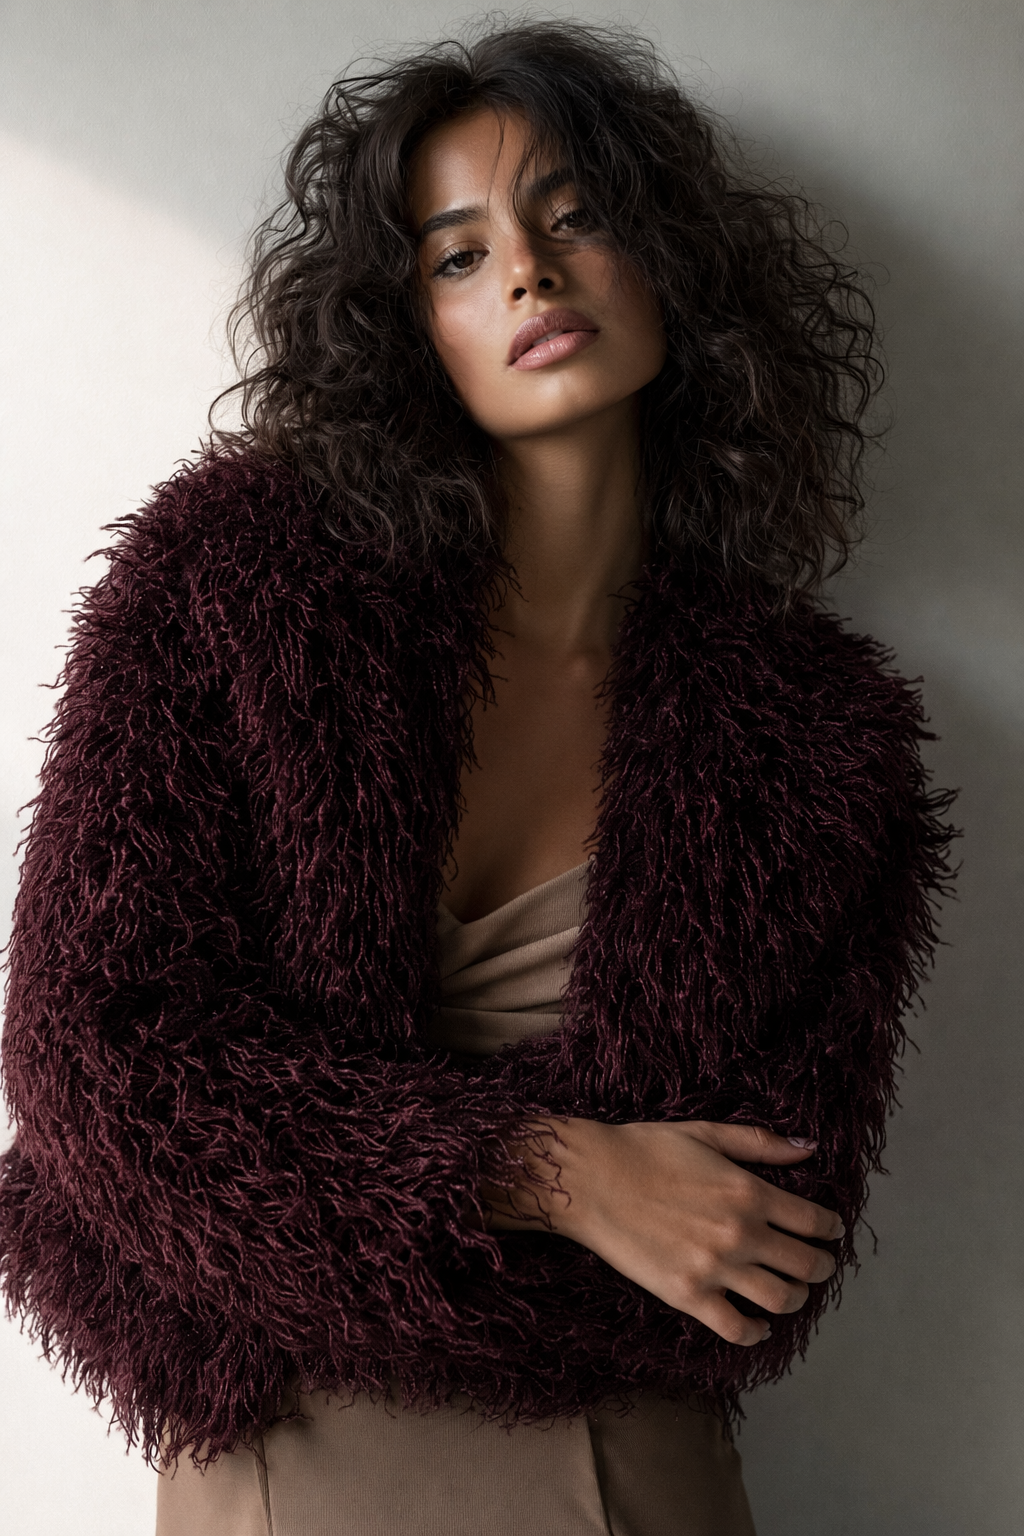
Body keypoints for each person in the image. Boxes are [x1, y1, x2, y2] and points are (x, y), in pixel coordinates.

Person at [0, 21, 954, 1536]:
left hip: (625, 1468)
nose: (528, 273)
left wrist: (303, 1199)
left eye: (575, 215)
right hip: (278, 1458)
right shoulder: (232, 593)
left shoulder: (818, 745)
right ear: (406, 328)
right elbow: (97, 1064)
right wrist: (562, 1173)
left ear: (671, 260)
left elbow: (755, 1247)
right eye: (459, 254)